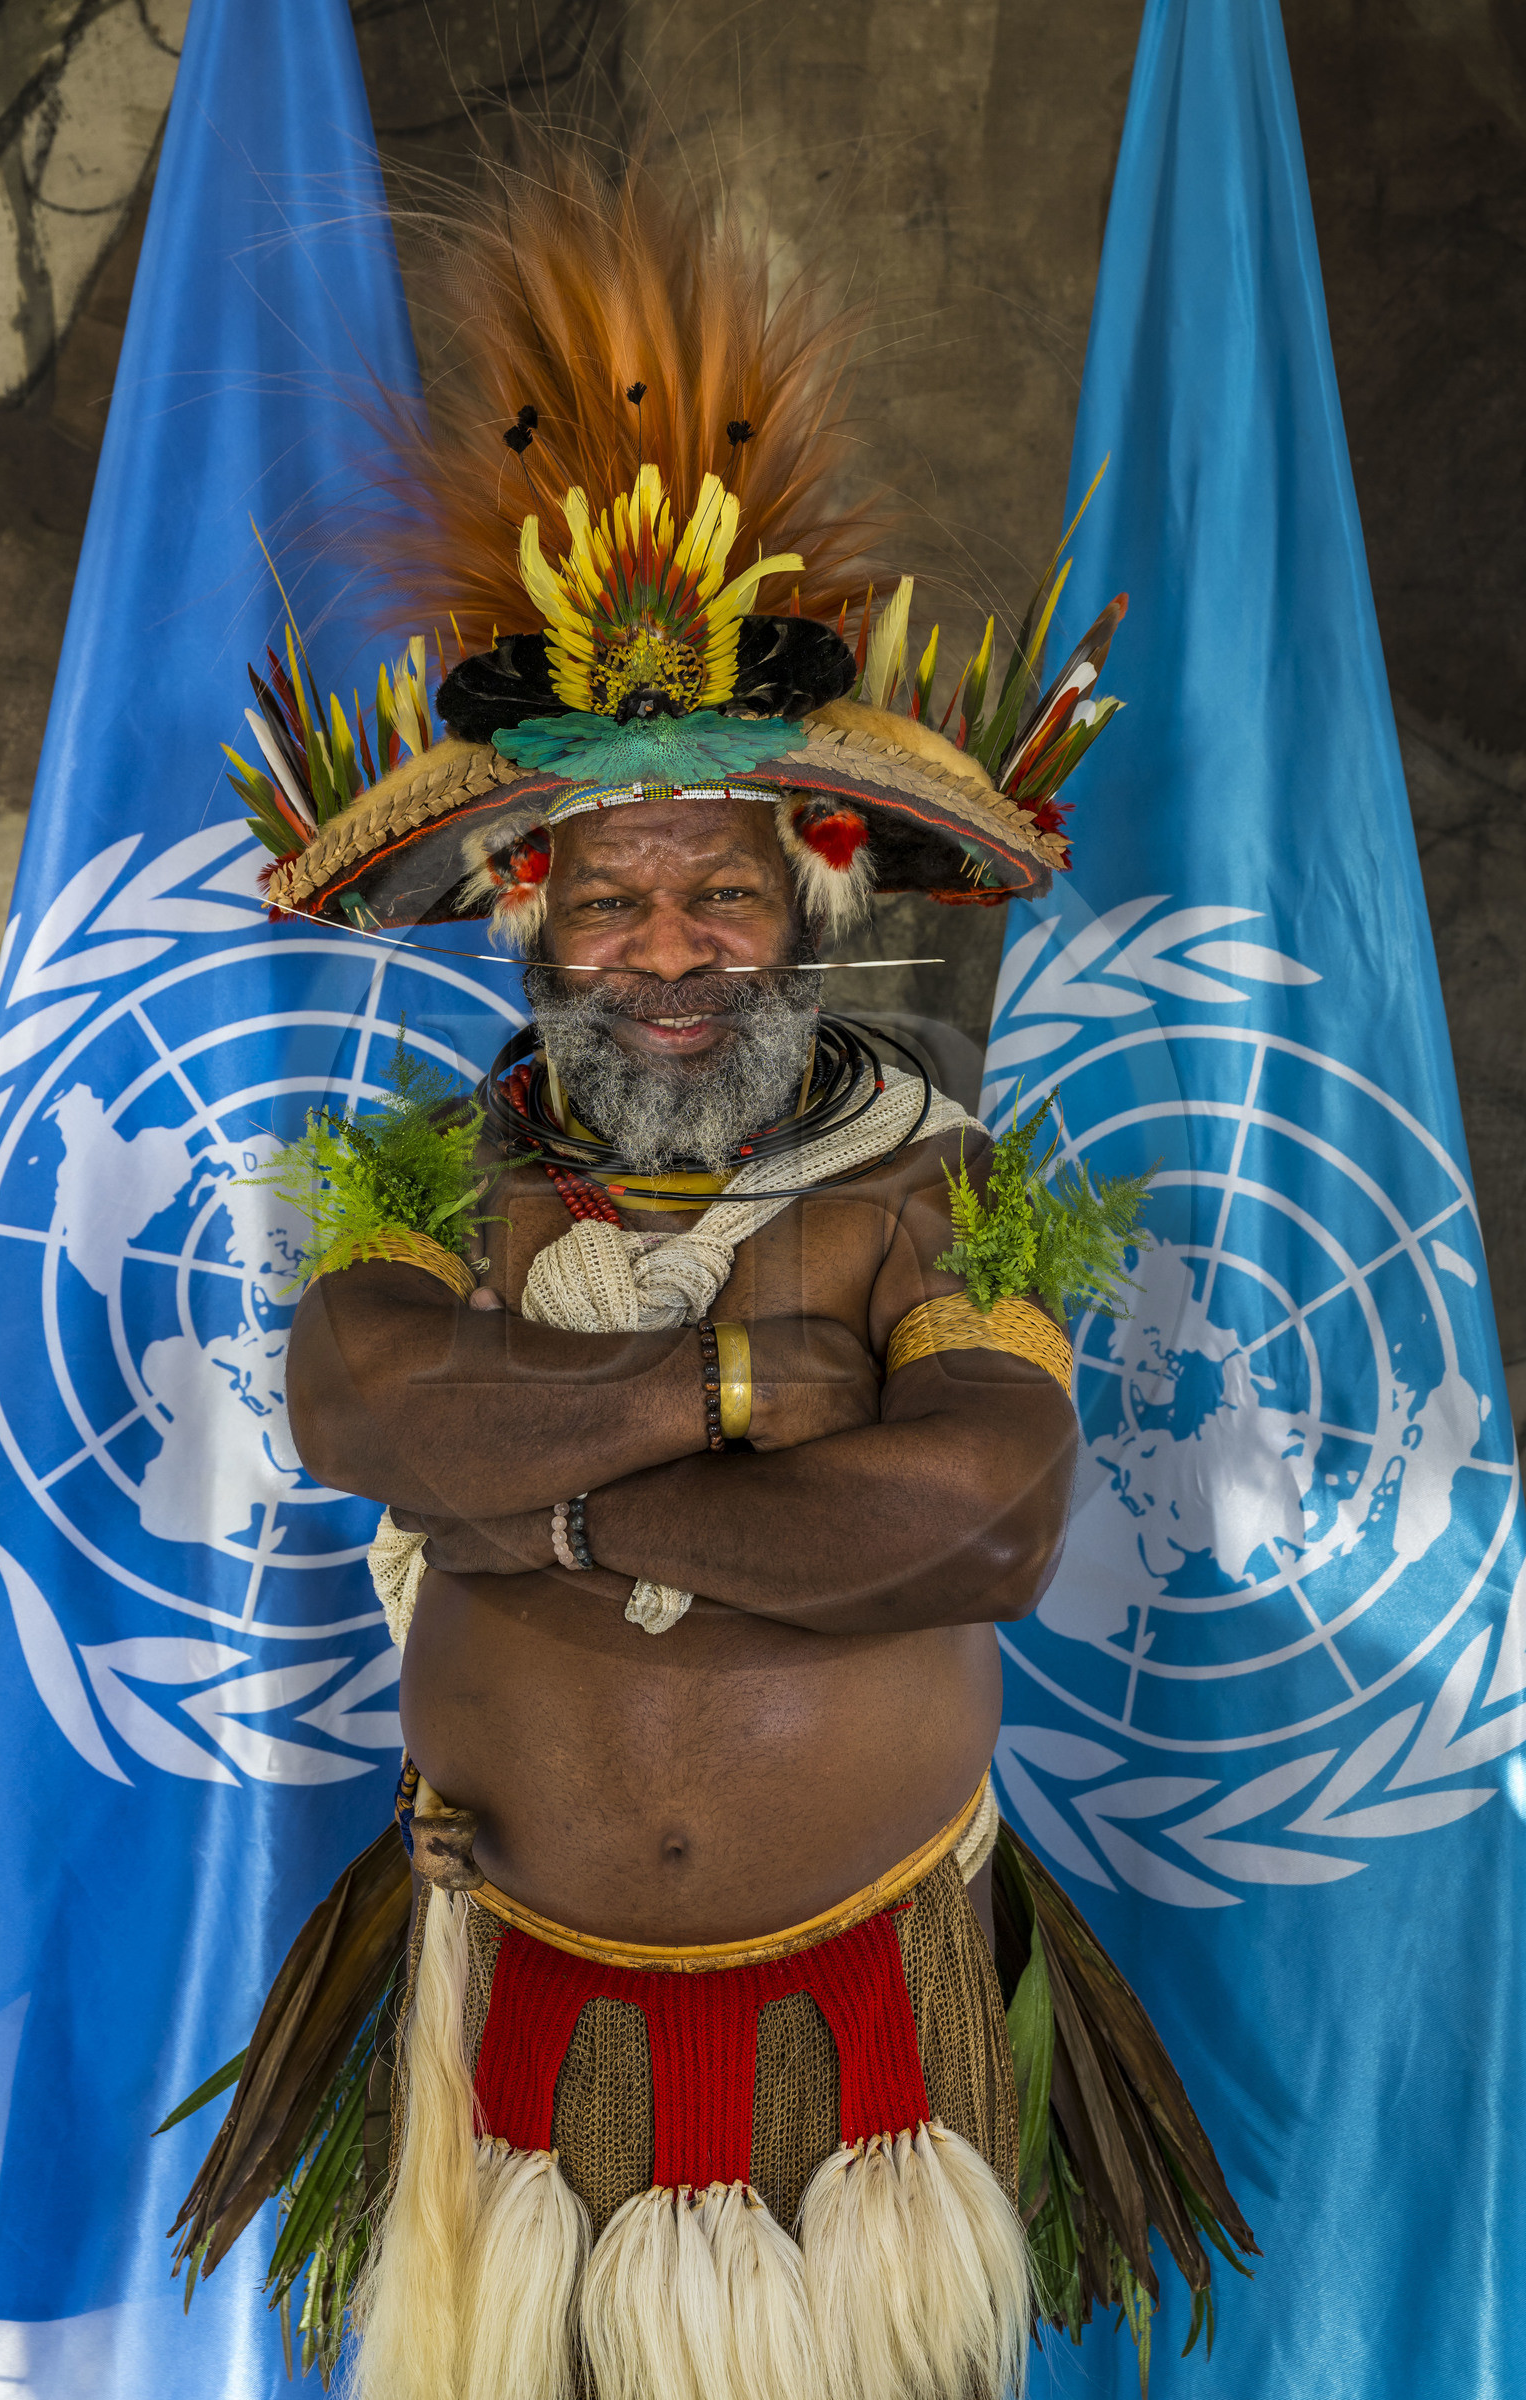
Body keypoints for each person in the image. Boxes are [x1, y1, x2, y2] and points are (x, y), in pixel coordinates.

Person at [171, 143, 1254, 2400]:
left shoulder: (937, 1186)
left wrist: (523, 1496)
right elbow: (369, 1417)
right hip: (513, 2025)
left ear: (808, 908)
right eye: (608, 902)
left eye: (721, 897)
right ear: (534, 927)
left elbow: (977, 1519)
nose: (666, 955)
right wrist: (759, 1392)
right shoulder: (420, 1179)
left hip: (863, 2030)